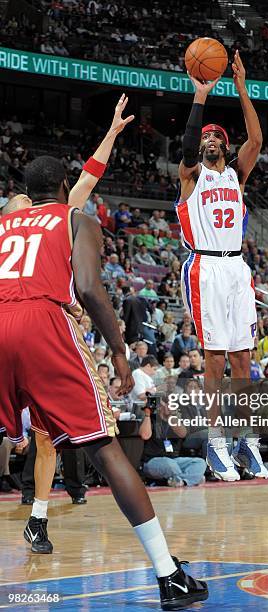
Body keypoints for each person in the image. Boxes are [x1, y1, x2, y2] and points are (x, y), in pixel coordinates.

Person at [0, 154, 208, 607]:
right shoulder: (77, 220)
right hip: (42, 325)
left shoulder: (5, 224)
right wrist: (118, 351)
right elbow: (92, 288)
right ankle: (168, 575)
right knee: (104, 446)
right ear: (64, 185)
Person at [2, 95, 136, 554]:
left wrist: (113, 133)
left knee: (45, 440)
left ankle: (38, 518)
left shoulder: (31, 220)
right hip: (39, 329)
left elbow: (86, 177)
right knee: (62, 440)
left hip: (21, 329)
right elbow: (81, 181)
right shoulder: (24, 225)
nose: (22, 203)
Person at [177, 51, 265, 480]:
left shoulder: (235, 175)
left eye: (216, 136)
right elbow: (186, 144)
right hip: (205, 268)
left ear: (225, 146)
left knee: (243, 361)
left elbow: (257, 140)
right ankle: (215, 444)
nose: (209, 139)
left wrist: (242, 85)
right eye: (204, 137)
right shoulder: (192, 175)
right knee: (214, 362)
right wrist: (201, 97)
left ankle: (246, 441)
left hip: (237, 269)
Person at [140, 397, 206, 487]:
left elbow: (182, 433)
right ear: (159, 406)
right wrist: (147, 414)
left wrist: (171, 415)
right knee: (169, 464)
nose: (171, 407)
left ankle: (182, 481)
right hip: (152, 461)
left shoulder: (174, 421)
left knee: (200, 462)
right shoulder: (151, 419)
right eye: (168, 404)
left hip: (174, 460)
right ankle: (193, 478)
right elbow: (145, 435)